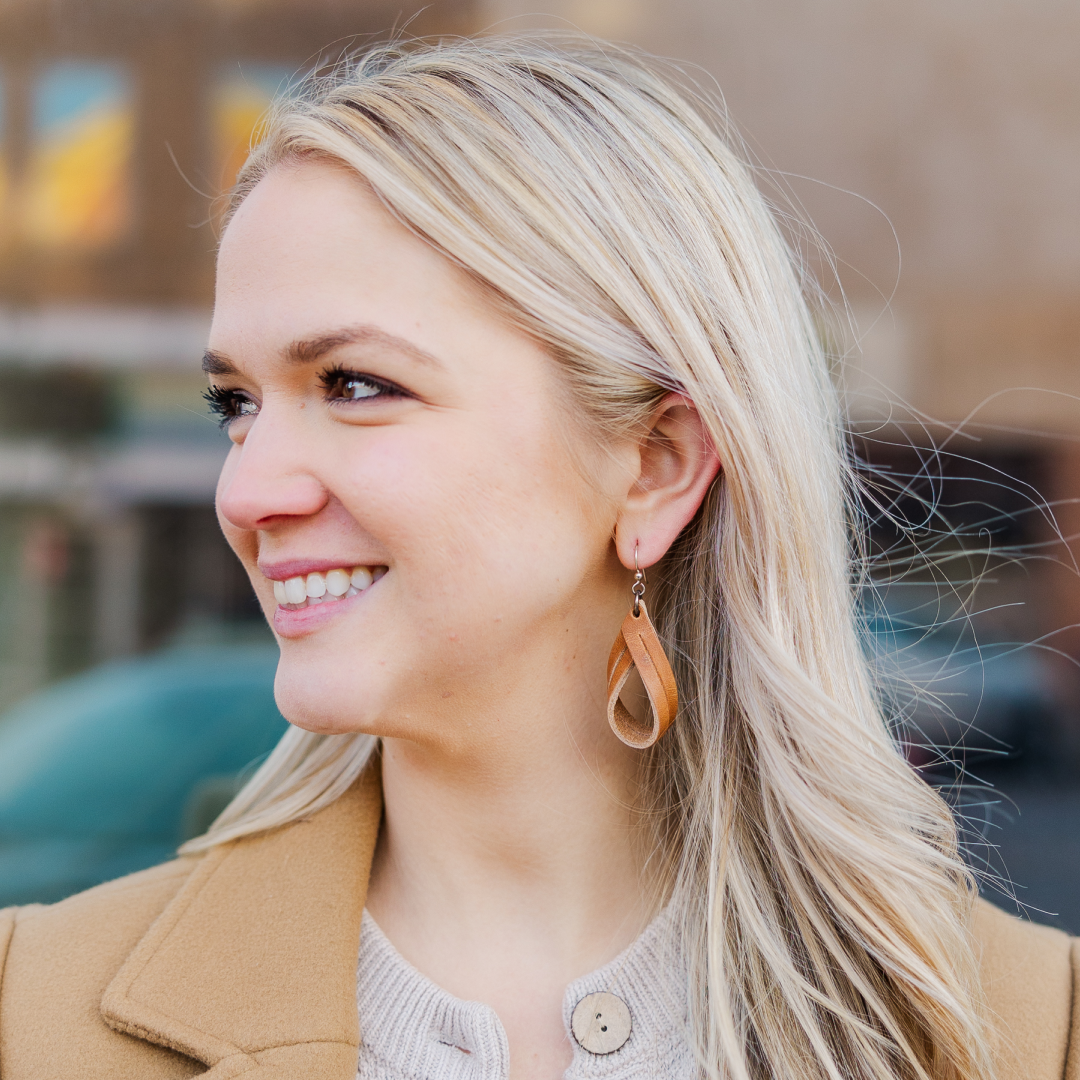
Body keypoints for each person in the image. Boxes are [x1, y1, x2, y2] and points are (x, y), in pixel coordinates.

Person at [0, 34, 1073, 1080]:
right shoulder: (36, 1016)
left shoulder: (1030, 1032)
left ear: (655, 463)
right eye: (234, 402)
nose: (246, 489)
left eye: (356, 386)